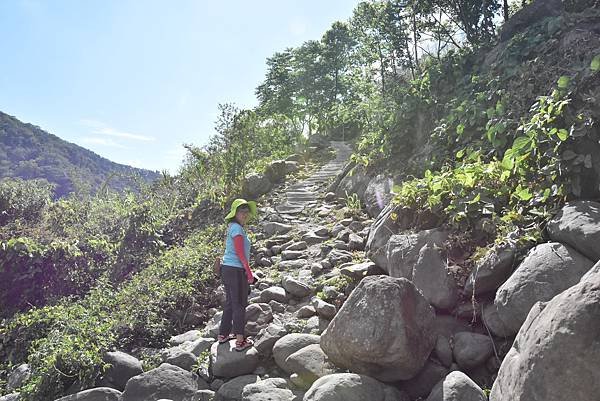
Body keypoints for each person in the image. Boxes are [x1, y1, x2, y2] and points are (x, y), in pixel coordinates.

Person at [217, 198, 257, 351]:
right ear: (235, 213)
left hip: (227, 269)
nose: (245, 214)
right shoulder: (237, 229)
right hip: (235, 270)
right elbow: (240, 253)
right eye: (242, 211)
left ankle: (223, 334)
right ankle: (240, 340)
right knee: (239, 304)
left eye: (247, 212)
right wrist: (249, 272)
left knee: (230, 303)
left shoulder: (233, 227)